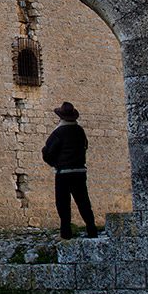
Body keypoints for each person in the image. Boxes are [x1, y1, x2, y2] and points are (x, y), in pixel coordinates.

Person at [41, 101, 99, 239]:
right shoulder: (80, 131)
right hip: (79, 171)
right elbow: (85, 146)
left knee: (63, 203)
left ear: (60, 117)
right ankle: (91, 229)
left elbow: (48, 152)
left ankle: (66, 232)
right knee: (83, 202)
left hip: (63, 173)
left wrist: (55, 163)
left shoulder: (58, 133)